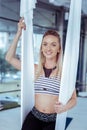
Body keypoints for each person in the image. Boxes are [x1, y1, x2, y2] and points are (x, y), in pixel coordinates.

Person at [5, 17, 77, 130]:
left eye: (53, 44)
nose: (48, 48)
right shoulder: (35, 69)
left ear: (59, 49)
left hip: (54, 120)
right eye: (45, 44)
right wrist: (19, 32)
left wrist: (64, 108)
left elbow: (74, 99)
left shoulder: (64, 73)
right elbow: (9, 58)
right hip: (35, 116)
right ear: (41, 48)